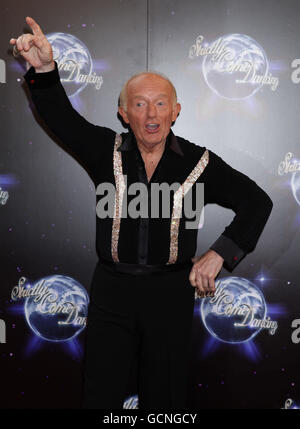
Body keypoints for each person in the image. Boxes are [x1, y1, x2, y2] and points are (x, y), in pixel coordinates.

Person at [10, 17, 273, 409]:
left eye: (160, 103)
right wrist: (45, 69)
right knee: (101, 396)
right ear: (123, 113)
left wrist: (221, 252)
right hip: (111, 291)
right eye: (139, 103)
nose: (151, 113)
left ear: (175, 111)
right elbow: (61, 119)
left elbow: (256, 201)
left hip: (170, 294)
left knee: (165, 400)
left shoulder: (200, 162)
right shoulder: (104, 150)